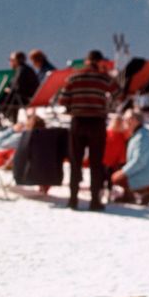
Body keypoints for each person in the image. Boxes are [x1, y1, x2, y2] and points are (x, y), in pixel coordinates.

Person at [58, 52, 121, 211]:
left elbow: (62, 100)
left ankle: (73, 200)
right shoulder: (103, 78)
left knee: (75, 162)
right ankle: (95, 201)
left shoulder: (73, 77)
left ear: (86, 61)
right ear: (100, 62)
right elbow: (119, 94)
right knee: (96, 163)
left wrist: (73, 105)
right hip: (97, 123)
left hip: (78, 122)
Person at [110, 111, 149, 205]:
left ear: (135, 120)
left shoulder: (142, 137)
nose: (124, 121)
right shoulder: (138, 134)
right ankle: (131, 194)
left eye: (127, 119)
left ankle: (147, 192)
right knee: (119, 173)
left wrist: (123, 172)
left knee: (117, 178)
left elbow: (139, 161)